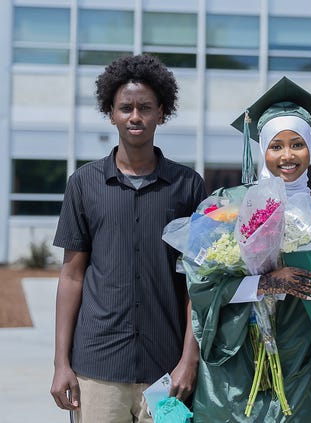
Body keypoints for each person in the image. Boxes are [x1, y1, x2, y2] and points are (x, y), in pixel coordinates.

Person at [50, 54, 206, 422]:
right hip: (97, 369)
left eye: (145, 108)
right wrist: (60, 363)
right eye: (126, 108)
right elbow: (72, 276)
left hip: (167, 372)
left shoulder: (188, 186)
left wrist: (189, 360)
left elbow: (198, 284)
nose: (135, 116)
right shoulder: (84, 184)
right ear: (111, 113)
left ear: (161, 113)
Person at [186, 77, 311, 422]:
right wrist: (266, 284)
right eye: (276, 145)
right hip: (237, 360)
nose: (287, 155)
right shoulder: (228, 206)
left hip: (295, 358)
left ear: (310, 148)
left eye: (297, 144)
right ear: (262, 149)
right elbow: (201, 285)